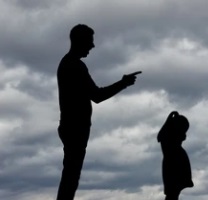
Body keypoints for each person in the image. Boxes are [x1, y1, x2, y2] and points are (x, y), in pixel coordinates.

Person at [56, 24, 141, 200]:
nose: (92, 46)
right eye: (90, 41)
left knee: (71, 177)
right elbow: (97, 95)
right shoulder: (75, 65)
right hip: (75, 129)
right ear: (80, 41)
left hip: (71, 128)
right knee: (71, 178)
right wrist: (123, 83)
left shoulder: (68, 64)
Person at [157, 111, 194, 200]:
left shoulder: (170, 146)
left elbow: (160, 136)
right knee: (172, 194)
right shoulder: (169, 146)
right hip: (175, 168)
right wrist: (170, 117)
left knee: (173, 194)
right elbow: (160, 136)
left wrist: (170, 117)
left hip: (177, 168)